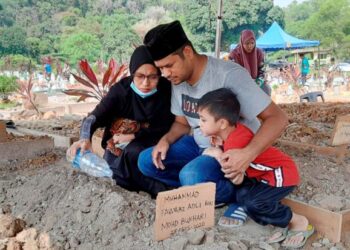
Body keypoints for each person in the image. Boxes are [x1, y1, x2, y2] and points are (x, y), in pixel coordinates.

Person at [138, 20, 288, 217]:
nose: (165, 74)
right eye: (161, 68)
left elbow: (278, 118)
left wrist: (247, 154)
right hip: (200, 145)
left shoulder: (229, 76)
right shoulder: (178, 79)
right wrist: (166, 140)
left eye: (169, 66)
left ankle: (235, 190)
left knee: (191, 176)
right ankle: (201, 185)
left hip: (230, 151)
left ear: (188, 52)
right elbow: (182, 123)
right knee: (146, 161)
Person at [197, 88, 314, 249]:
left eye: (203, 120)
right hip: (265, 175)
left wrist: (216, 153)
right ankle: (280, 221)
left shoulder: (234, 144)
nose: (199, 124)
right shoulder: (234, 132)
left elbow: (234, 176)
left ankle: (297, 221)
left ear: (222, 123)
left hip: (282, 174)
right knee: (244, 197)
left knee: (254, 203)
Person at [66, 45, 174, 198]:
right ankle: (157, 190)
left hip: (152, 140)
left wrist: (134, 136)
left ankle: (161, 191)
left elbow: (167, 124)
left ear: (159, 74)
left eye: (153, 77)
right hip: (117, 145)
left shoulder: (166, 91)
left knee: (133, 155)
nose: (145, 83)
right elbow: (93, 117)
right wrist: (85, 137)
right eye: (140, 76)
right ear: (132, 73)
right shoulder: (121, 91)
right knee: (115, 173)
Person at [229, 30, 271, 96]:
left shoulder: (259, 53)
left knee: (267, 89)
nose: (250, 46)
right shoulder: (234, 54)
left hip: (256, 83)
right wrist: (246, 84)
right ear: (242, 43)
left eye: (252, 43)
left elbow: (262, 71)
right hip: (239, 84)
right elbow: (233, 73)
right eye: (247, 43)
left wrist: (257, 83)